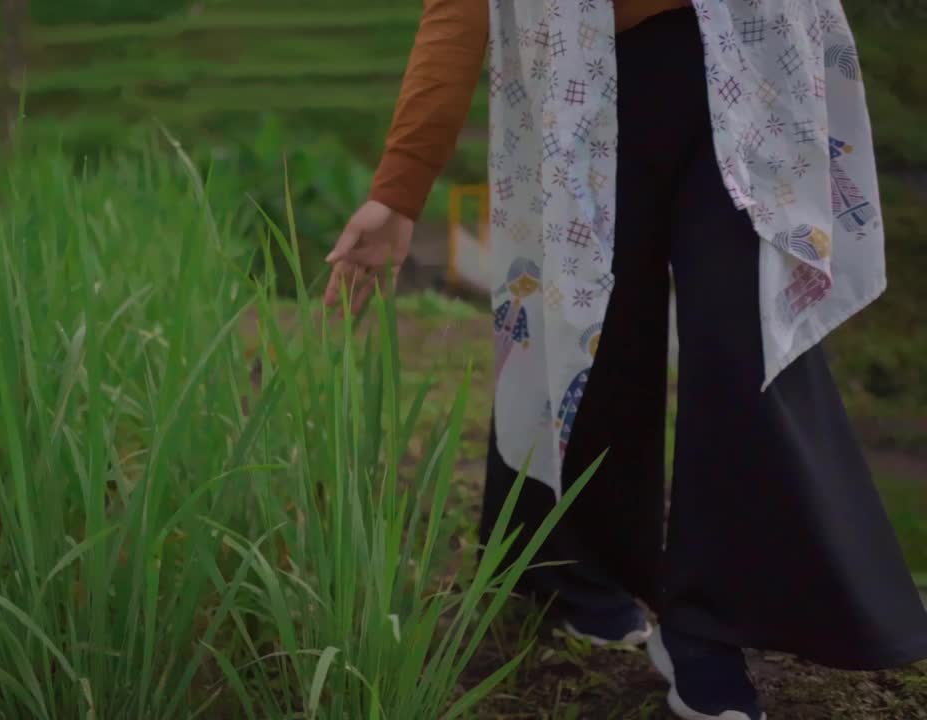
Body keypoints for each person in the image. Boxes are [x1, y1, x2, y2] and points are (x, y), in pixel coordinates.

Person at [322, 1, 927, 719]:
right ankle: (575, 566)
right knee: (591, 333)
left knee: (748, 339)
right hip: (583, 89)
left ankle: (706, 627)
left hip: (747, 68)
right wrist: (399, 190)